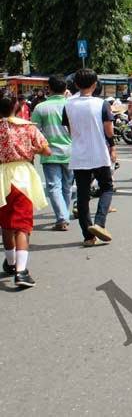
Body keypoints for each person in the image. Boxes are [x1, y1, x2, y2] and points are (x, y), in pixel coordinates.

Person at [0, 95, 52, 287]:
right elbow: (46, 150)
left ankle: (11, 263)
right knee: (22, 224)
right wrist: (31, 151)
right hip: (22, 175)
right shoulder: (27, 127)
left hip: (1, 175)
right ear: (16, 106)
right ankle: (21, 272)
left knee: (5, 223)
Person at [62, 69, 116, 247]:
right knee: (107, 188)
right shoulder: (101, 104)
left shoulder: (68, 104)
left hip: (79, 154)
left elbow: (70, 131)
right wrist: (112, 147)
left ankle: (88, 235)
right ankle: (99, 223)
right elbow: (109, 130)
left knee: (83, 196)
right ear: (95, 84)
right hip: (99, 152)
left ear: (76, 85)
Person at [30, 75, 73, 231]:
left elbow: (34, 131)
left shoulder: (41, 108)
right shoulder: (72, 105)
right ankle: (64, 215)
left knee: (54, 186)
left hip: (49, 152)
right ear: (65, 88)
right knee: (67, 186)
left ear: (49, 89)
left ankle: (62, 217)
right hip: (71, 152)